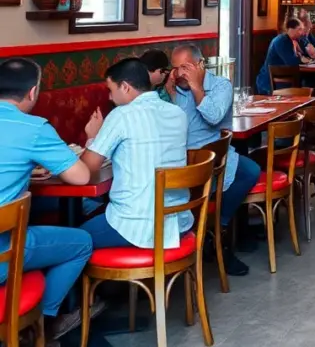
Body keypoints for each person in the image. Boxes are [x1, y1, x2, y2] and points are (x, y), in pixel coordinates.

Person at [0, 58, 94, 341]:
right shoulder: (33, 128)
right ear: (32, 92)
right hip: (4, 255)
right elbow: (81, 178)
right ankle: (46, 321)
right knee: (82, 243)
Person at [79, 59, 192, 250]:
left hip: (137, 226)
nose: (109, 97)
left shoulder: (122, 115)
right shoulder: (177, 113)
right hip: (179, 222)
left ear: (124, 87)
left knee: (72, 240)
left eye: (110, 89)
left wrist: (93, 137)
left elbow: (86, 169)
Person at [168, 45, 258, 276]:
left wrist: (197, 88)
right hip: (182, 162)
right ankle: (214, 233)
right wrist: (169, 96)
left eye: (185, 68)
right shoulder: (172, 90)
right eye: (174, 69)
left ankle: (219, 228)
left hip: (215, 159)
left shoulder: (220, 86)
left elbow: (214, 115)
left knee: (249, 171)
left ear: (200, 66)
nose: (179, 74)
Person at [255, 18, 309, 94]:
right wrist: (300, 57)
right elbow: (292, 63)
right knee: (308, 82)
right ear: (290, 29)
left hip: (281, 80)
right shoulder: (282, 41)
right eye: (299, 29)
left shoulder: (288, 40)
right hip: (270, 83)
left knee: (307, 81)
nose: (301, 33)